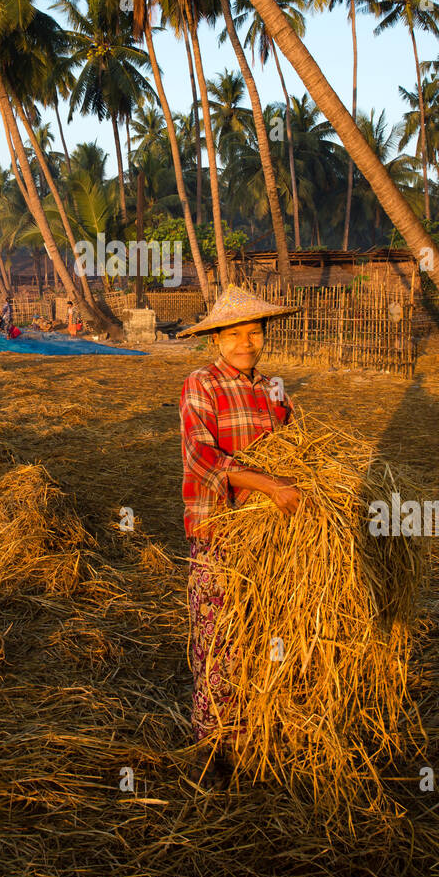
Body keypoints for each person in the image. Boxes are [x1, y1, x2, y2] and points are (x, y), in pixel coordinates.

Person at [176, 286, 301, 787]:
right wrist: (268, 483)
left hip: (270, 535)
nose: (245, 341)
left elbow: (295, 444)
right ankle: (215, 749)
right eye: (234, 333)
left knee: (264, 632)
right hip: (220, 529)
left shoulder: (273, 387)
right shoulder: (200, 384)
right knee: (219, 636)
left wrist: (292, 482)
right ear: (216, 339)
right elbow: (201, 457)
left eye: (254, 331)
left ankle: (261, 734)